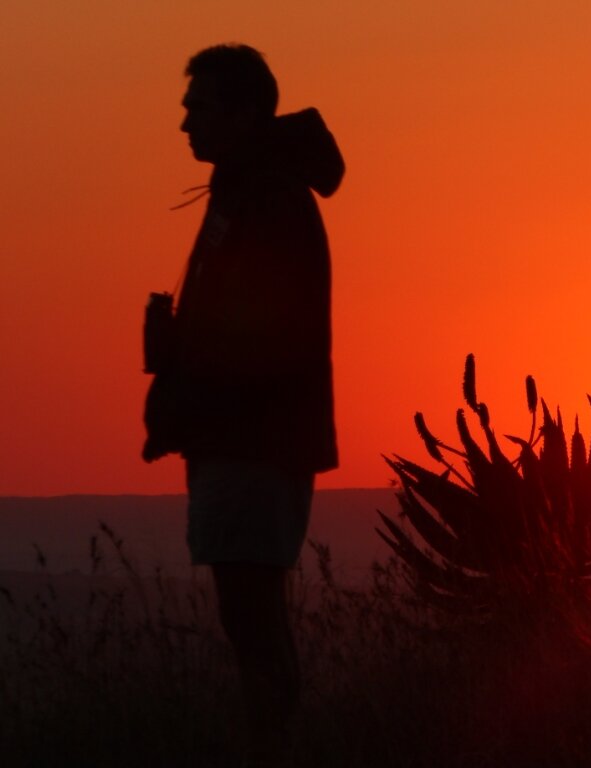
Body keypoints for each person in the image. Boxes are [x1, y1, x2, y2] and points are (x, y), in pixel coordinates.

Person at [142, 43, 343, 767]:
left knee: (254, 620)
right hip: (246, 443)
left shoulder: (268, 200)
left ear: (243, 110)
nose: (185, 124)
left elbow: (270, 337)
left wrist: (184, 358)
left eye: (198, 107)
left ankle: (273, 751)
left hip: (255, 447)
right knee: (250, 617)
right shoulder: (248, 191)